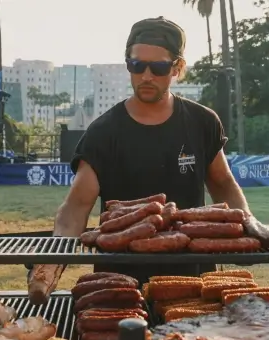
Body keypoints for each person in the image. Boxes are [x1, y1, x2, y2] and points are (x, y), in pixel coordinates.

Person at [47, 16, 250, 284]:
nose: (146, 76)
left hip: (193, 280)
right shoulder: (103, 132)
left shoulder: (202, 122)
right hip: (120, 283)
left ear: (177, 68)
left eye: (158, 67)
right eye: (137, 65)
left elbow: (223, 183)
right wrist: (51, 260)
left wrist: (250, 228)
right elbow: (76, 207)